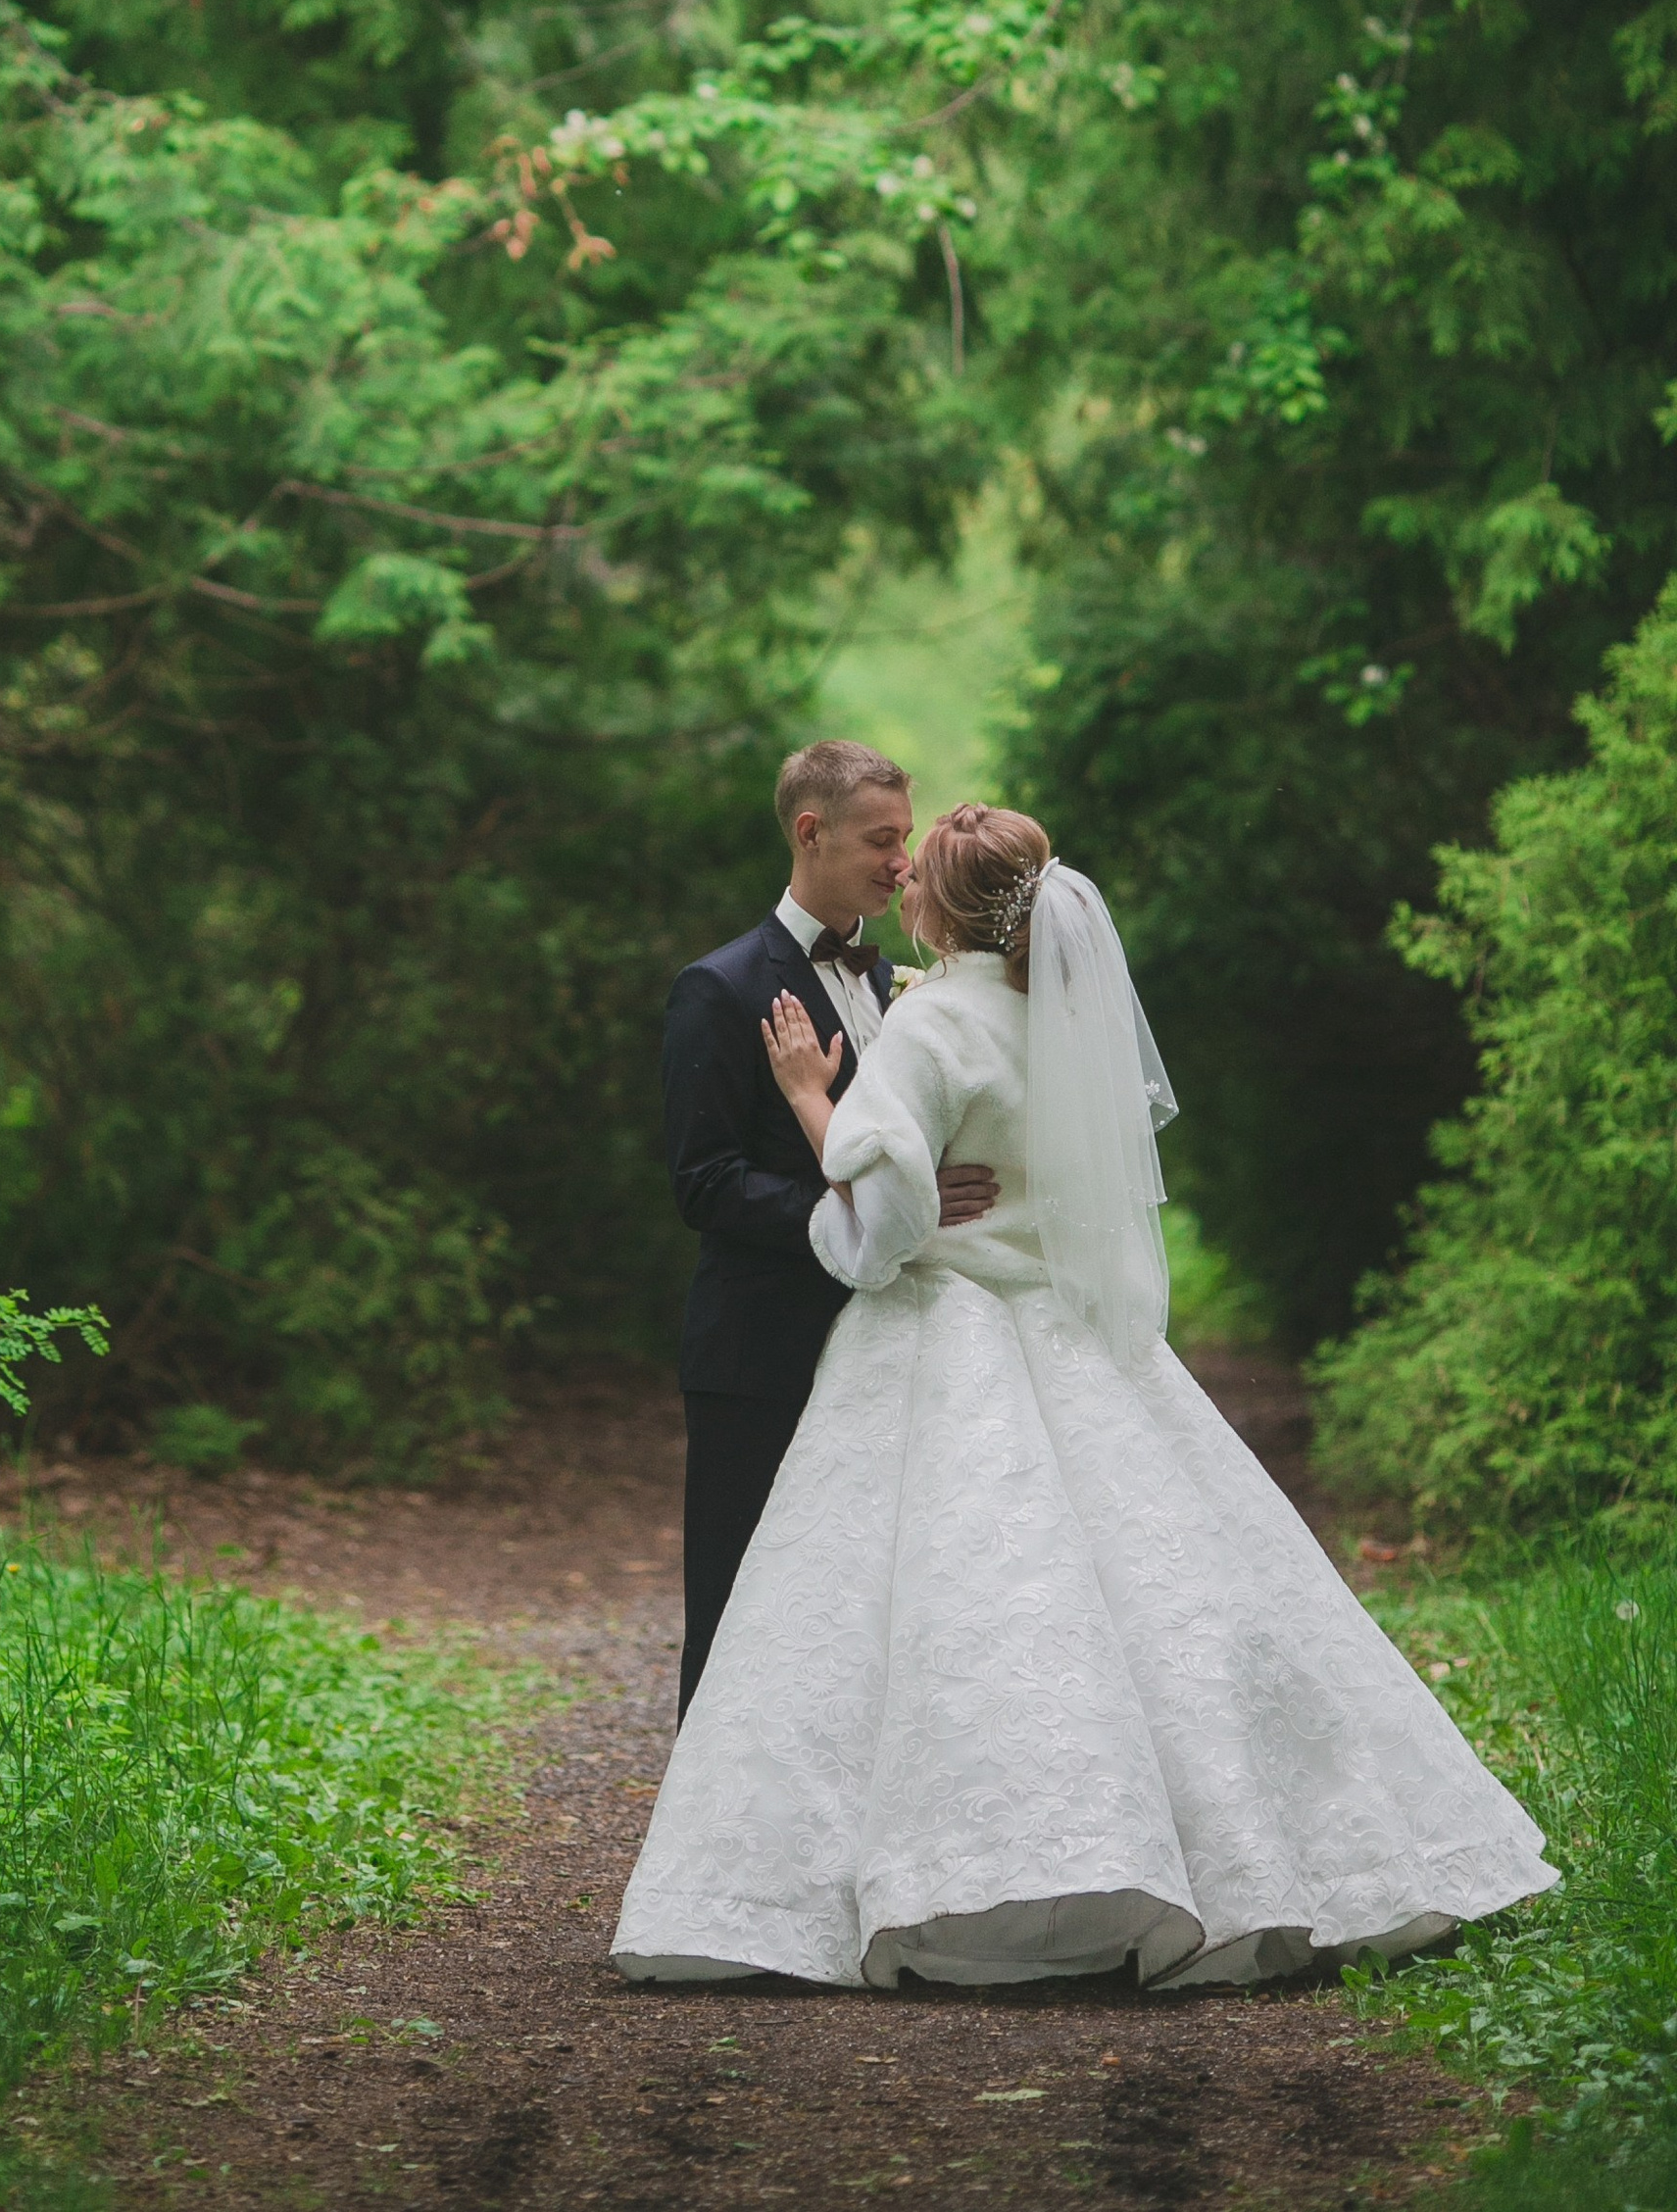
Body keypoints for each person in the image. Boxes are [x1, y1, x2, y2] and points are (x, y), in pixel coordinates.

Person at [617, 803, 1555, 1990]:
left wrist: (810, 1096)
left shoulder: (928, 1022)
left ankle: (911, 1872)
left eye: (917, 871)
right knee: (1164, 1588)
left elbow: (878, 1237)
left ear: (944, 907)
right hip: (1067, 1332)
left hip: (941, 1337)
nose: (900, 882)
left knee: (924, 1606)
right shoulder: (1059, 1018)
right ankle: (1269, 1852)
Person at [662, 741, 999, 1721]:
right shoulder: (719, 987)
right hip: (762, 1347)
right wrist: (861, 1217)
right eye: (880, 840)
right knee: (735, 1598)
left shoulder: (907, 987)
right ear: (810, 833)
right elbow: (705, 1182)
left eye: (906, 838)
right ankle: (705, 1807)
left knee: (858, 1606)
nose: (903, 862)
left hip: (890, 1349)